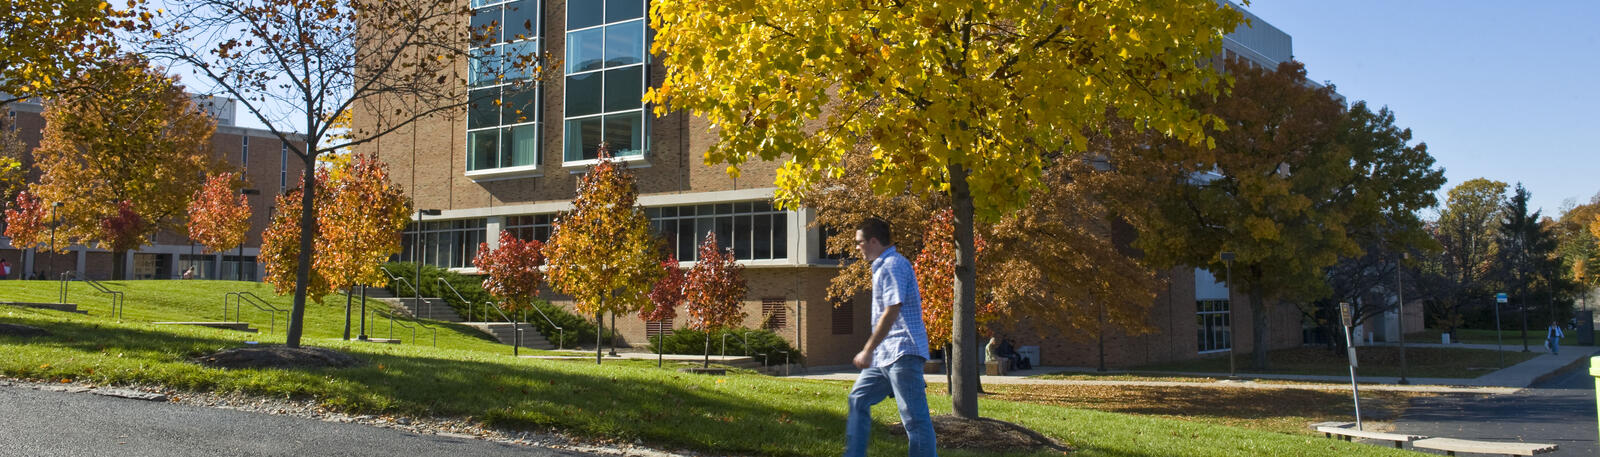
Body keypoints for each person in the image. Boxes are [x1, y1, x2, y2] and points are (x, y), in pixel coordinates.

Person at [845, 217, 937, 457]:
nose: (857, 247)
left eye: (860, 242)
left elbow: (892, 309)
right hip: (885, 355)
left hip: (903, 352)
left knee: (915, 420)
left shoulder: (893, 265)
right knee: (858, 398)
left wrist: (867, 349)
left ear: (873, 241)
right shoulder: (883, 266)